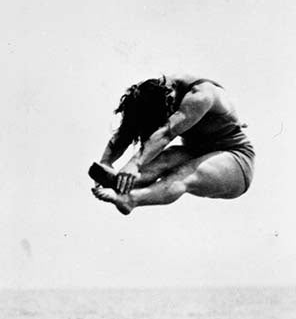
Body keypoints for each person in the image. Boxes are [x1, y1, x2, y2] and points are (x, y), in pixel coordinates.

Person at [89, 74, 255, 215]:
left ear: (170, 97)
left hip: (236, 160)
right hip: (195, 151)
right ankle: (120, 182)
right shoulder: (149, 92)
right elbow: (127, 129)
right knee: (167, 157)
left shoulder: (200, 95)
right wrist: (106, 162)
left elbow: (167, 133)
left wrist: (133, 163)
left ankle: (130, 200)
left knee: (184, 172)